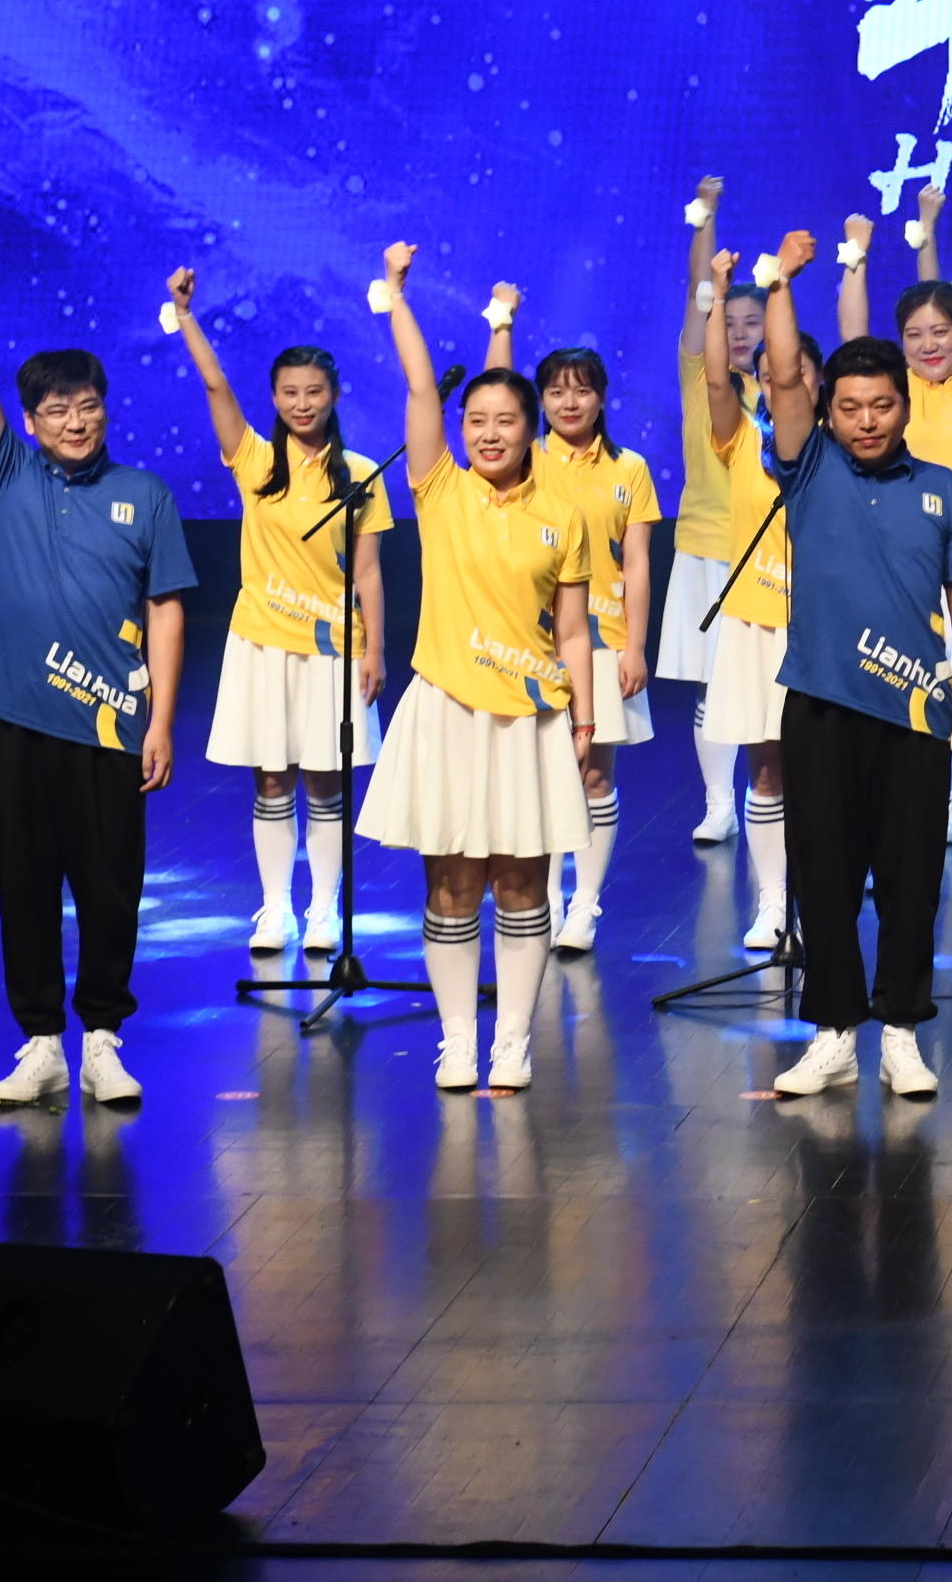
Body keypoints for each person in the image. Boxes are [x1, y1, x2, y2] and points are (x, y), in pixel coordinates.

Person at [0, 233, 191, 1114]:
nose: (76, 421)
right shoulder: (10, 477)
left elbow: (166, 608)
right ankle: (41, 1044)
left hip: (111, 722)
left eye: (89, 405)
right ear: (31, 423)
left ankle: (102, 1039)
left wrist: (160, 720)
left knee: (112, 887)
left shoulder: (145, 494)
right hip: (16, 719)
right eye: (58, 410)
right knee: (23, 885)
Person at [749, 233, 952, 1100]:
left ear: (904, 406)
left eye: (881, 406)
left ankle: (901, 1033)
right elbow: (784, 376)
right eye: (848, 406)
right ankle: (833, 1035)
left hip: (917, 710)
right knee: (824, 874)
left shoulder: (944, 488)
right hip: (820, 705)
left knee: (911, 878)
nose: (865, 420)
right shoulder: (809, 466)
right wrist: (781, 283)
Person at [359, 245, 595, 1093]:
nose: (489, 434)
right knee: (453, 882)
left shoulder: (562, 516)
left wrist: (584, 719)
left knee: (523, 881)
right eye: (477, 423)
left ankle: (514, 1040)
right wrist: (397, 297)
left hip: (529, 719)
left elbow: (574, 632)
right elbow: (422, 389)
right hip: (447, 712)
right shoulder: (441, 491)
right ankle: (459, 1039)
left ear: (531, 430)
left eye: (505, 422)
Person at [163, 273, 389, 957]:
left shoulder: (361, 473)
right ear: (274, 398)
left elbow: (369, 572)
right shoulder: (256, 462)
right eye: (289, 392)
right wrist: (186, 316)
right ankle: (274, 910)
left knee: (325, 781)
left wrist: (376, 649)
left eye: (313, 392)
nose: (301, 403)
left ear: (334, 396)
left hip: (333, 650)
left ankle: (323, 911)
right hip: (262, 643)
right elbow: (215, 388)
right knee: (270, 780)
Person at [840, 185, 952, 900]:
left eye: (944, 332)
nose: (930, 345)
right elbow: (854, 342)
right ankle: (891, 840)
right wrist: (857, 259)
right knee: (893, 712)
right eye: (915, 335)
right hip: (893, 575)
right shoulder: (894, 391)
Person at [488, 297, 657, 955]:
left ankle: (584, 904)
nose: (568, 402)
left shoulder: (629, 469)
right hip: (532, 646)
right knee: (540, 777)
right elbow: (497, 388)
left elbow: (637, 564)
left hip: (605, 642)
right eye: (555, 391)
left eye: (581, 391)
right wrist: (501, 324)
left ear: (601, 399)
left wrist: (635, 646)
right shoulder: (525, 459)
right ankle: (546, 896)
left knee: (594, 777)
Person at [682, 210, 800, 950]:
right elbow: (717, 375)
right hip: (757, 622)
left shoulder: (843, 443)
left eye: (800, 375)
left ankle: (824, 901)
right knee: (767, 770)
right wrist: (720, 291)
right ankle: (771, 902)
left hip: (825, 628)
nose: (787, 382)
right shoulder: (740, 437)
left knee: (828, 775)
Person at [660, 179, 779, 864]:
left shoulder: (784, 391)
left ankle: (774, 795)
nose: (737, 334)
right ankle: (717, 803)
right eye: (728, 323)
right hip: (708, 548)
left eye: (751, 324)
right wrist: (705, 219)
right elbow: (697, 291)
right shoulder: (697, 377)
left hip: (771, 560)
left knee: (770, 685)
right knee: (714, 682)